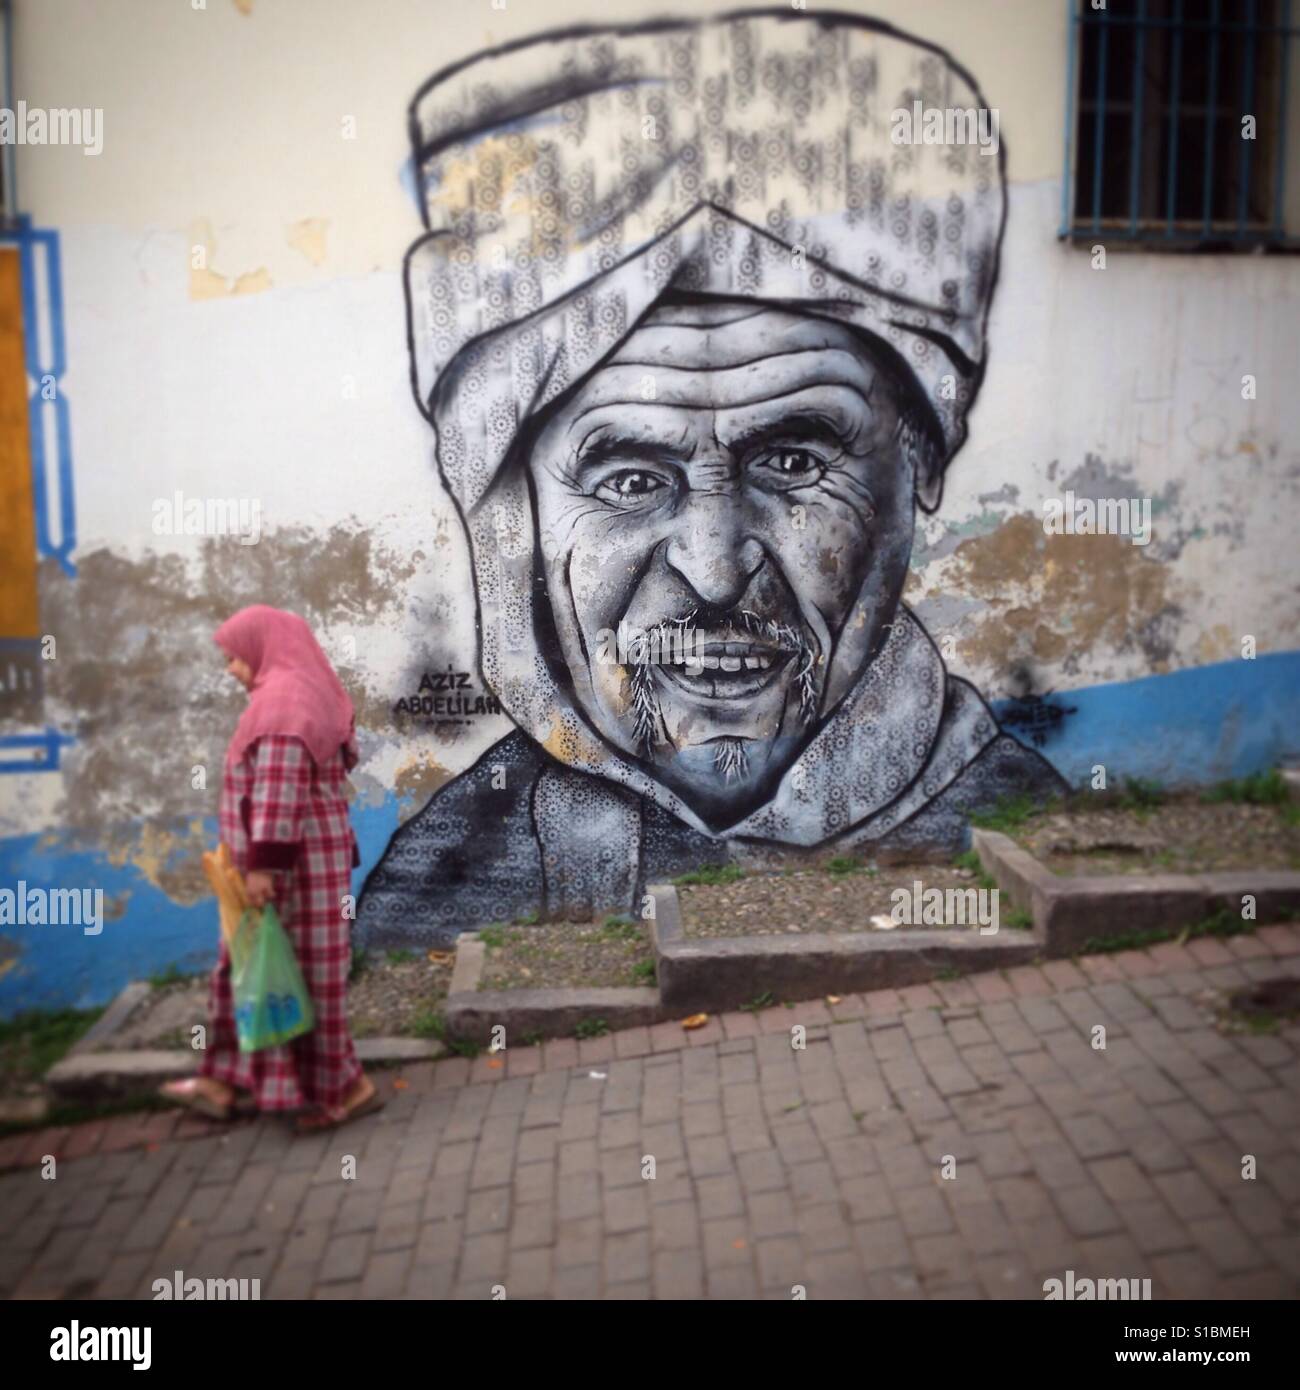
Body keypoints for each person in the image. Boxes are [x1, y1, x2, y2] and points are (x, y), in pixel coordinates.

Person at [358, 10, 1067, 945]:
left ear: (919, 466)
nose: (715, 569)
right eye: (626, 480)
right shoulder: (433, 891)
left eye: (792, 461)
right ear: (511, 516)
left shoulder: (1023, 832)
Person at [160, 605, 382, 1131]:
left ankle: (346, 1088)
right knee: (248, 971)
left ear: (263, 648)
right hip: (294, 866)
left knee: (299, 977)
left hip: (290, 874)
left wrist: (263, 871)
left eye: (234, 657)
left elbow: (278, 795)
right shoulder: (298, 692)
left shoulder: (283, 703)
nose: (231, 669)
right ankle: (223, 1081)